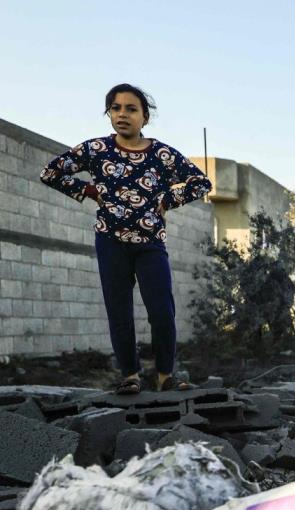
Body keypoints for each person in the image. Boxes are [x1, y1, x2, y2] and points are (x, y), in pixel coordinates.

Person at [40, 83, 211, 394]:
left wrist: (167, 202)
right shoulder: (95, 150)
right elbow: (50, 173)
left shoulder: (161, 154)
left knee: (161, 310)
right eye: (116, 108)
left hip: (150, 244)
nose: (122, 114)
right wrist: (89, 191)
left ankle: (164, 376)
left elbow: (201, 183)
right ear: (109, 114)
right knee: (119, 311)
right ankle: (130, 376)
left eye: (131, 109)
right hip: (111, 242)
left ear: (144, 117)